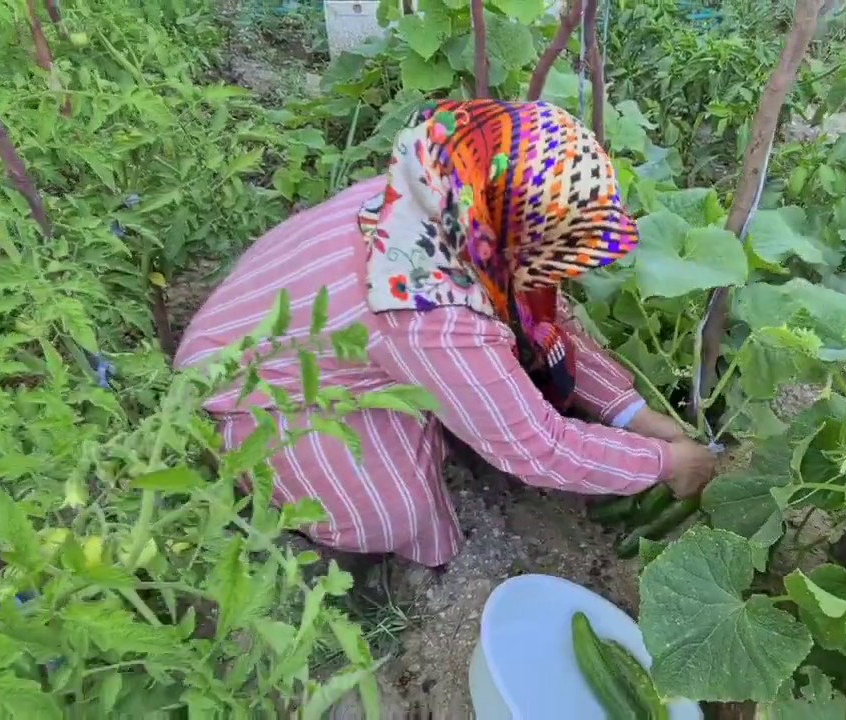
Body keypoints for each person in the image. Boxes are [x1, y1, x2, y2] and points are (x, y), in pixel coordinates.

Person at [175, 100, 719, 569]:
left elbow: (552, 322)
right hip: (246, 390)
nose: (569, 269)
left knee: (466, 391)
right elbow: (538, 448)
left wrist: (634, 415)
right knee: (393, 512)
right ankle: (270, 476)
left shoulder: (445, 190)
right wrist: (666, 464)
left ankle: (423, 410)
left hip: (265, 321)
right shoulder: (434, 317)